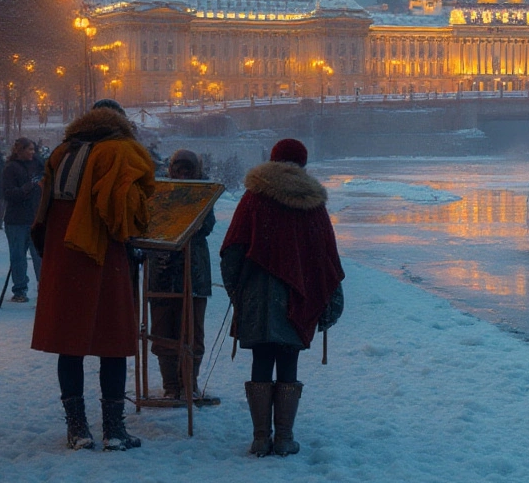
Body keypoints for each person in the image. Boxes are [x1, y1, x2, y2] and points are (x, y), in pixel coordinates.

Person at [30, 99, 156, 451]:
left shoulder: (60, 152)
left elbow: (43, 209)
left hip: (63, 253)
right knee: (111, 344)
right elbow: (123, 209)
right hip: (103, 255)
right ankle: (114, 431)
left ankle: (77, 430)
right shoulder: (118, 152)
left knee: (69, 344)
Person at [221, 138, 345, 458]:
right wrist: (329, 296)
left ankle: (261, 438)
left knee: (261, 358)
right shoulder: (312, 204)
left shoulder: (253, 197)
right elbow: (326, 257)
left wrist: (237, 292)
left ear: (273, 160)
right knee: (288, 358)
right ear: (302, 164)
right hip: (298, 293)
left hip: (257, 294)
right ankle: (285, 438)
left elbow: (232, 249)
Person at [146, 150, 217, 402]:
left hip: (194, 269)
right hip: (163, 269)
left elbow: (207, 225)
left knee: (193, 330)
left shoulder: (204, 193)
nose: (183, 173)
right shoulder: (161, 191)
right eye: (180, 169)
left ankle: (190, 382)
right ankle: (170, 384)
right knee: (164, 328)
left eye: (188, 169)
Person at [1, 137, 44, 304]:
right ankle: (19, 289)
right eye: (29, 150)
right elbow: (8, 194)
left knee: (39, 257)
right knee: (18, 256)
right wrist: (26, 189)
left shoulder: (38, 165)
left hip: (35, 218)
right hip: (16, 219)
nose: (32, 153)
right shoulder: (11, 168)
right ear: (20, 151)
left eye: (33, 149)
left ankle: (44, 287)